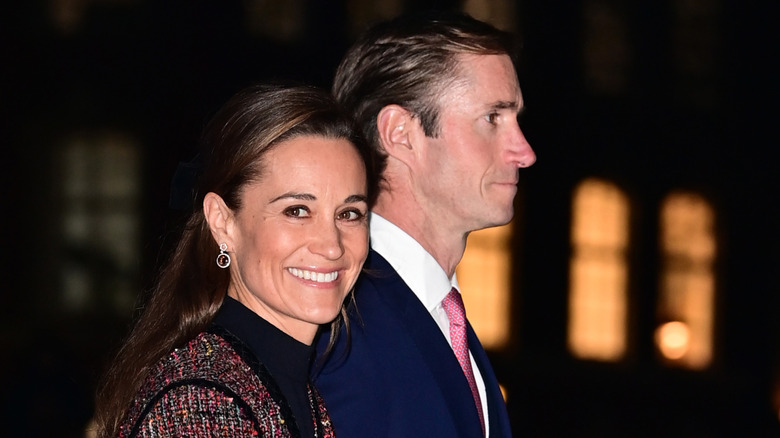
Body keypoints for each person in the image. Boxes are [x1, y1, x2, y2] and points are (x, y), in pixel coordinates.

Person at [94, 83, 377, 437]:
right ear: (222, 221)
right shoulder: (201, 404)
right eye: (297, 210)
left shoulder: (289, 387)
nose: (332, 246)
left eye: (350, 214)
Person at [313, 11, 536, 438]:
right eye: (492, 118)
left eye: (516, 120)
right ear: (400, 133)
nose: (524, 152)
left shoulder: (441, 318)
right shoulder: (338, 320)